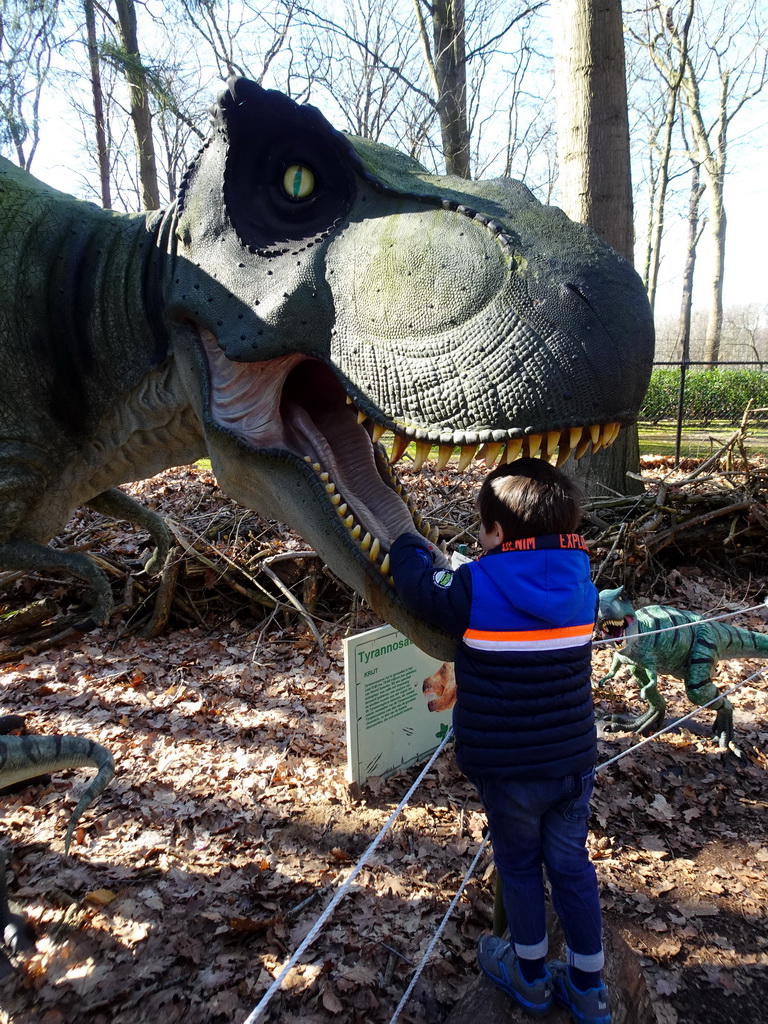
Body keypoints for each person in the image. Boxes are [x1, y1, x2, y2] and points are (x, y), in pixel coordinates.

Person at [389, 458, 610, 1024]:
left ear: (497, 534)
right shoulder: (583, 586)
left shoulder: (476, 584)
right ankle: (589, 986)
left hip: (507, 769)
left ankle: (530, 977)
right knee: (570, 866)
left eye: (483, 528)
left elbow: (419, 588)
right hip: (570, 764)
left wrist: (406, 542)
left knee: (517, 865)